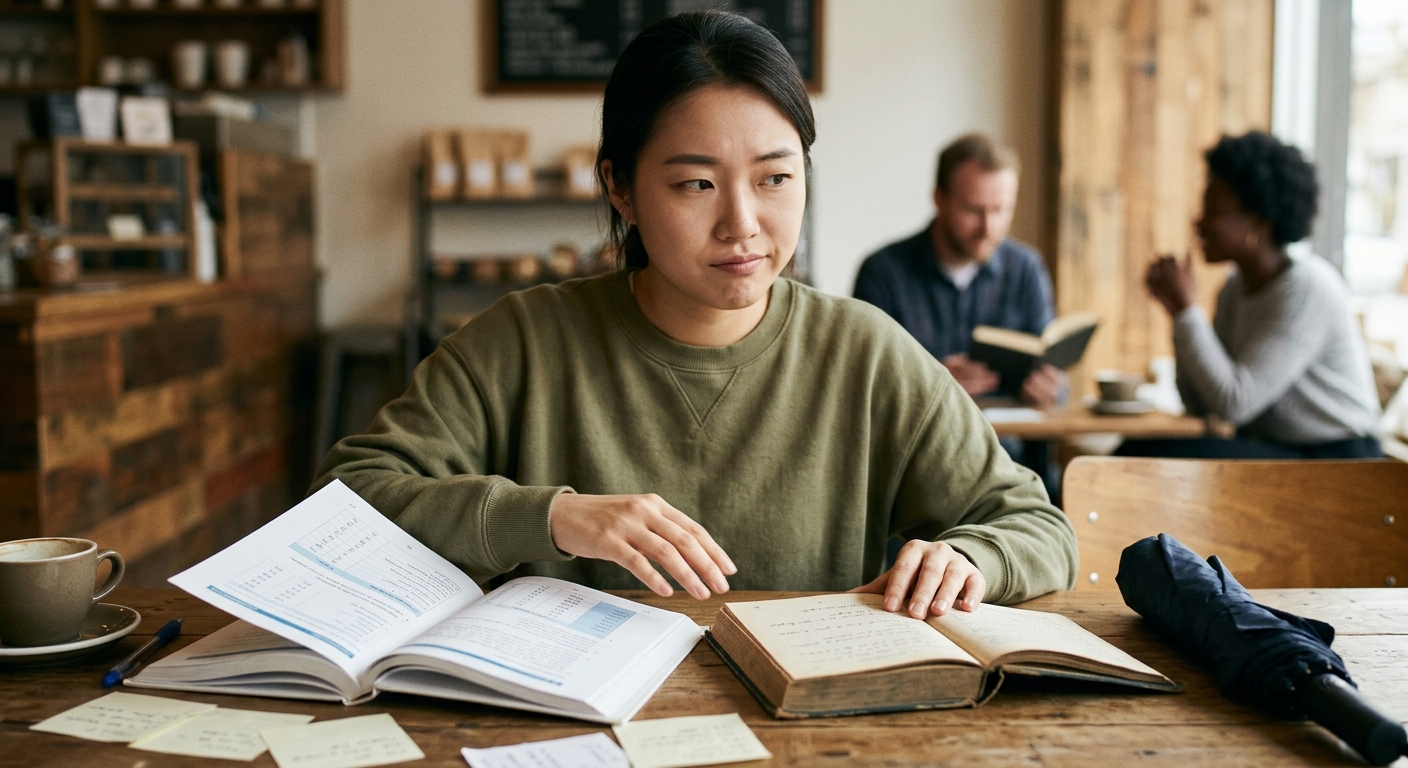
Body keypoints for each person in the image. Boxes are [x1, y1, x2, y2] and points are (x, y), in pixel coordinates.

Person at [315, 11, 1076, 620]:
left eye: (776, 177)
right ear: (620, 187)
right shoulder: (522, 342)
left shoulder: (866, 353)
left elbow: (1037, 526)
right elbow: (345, 500)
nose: (743, 224)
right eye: (696, 186)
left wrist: (973, 557)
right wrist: (551, 518)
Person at [1120, 131, 1383, 459]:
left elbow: (1234, 404)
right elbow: (1201, 403)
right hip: (1280, 452)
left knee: (1137, 456)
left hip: (1340, 462)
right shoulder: (1235, 288)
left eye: (1214, 210)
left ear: (1259, 223)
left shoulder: (1306, 289)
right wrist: (1177, 313)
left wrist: (1189, 311)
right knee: (1137, 453)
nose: (1199, 221)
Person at [852, 134, 1065, 405]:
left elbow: (1054, 375)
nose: (988, 228)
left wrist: (1050, 388)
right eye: (974, 210)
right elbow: (860, 382)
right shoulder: (883, 273)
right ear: (939, 199)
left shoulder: (1026, 270)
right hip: (919, 444)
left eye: (1000, 210)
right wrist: (931, 382)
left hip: (1009, 445)